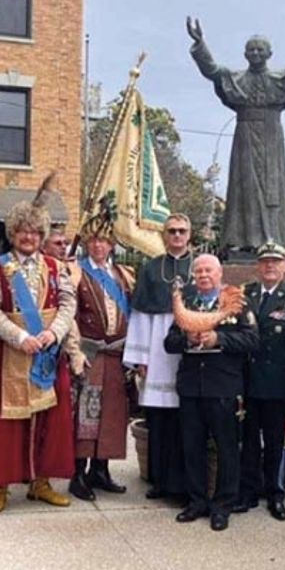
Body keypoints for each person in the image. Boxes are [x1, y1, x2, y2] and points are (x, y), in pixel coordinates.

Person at [0, 178, 77, 512]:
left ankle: (41, 482)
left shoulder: (55, 267)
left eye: (35, 232)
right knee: (6, 422)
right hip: (10, 353)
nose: (29, 237)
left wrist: (53, 334)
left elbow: (68, 304)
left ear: (42, 235)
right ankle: (1, 485)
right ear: (13, 233)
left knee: (49, 421)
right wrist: (20, 337)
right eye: (23, 231)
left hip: (47, 351)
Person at [185, 17, 285, 251]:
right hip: (245, 136)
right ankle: (241, 241)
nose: (256, 53)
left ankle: (273, 241)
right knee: (243, 187)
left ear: (269, 53)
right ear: (245, 54)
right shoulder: (236, 78)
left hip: (271, 136)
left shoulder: (279, 79)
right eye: (251, 49)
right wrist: (200, 43)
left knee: (273, 189)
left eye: (260, 49)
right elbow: (212, 71)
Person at [164, 254, 259, 531]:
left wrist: (220, 338)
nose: (204, 275)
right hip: (192, 386)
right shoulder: (188, 303)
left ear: (219, 274)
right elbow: (169, 342)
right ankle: (196, 501)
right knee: (192, 446)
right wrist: (187, 338)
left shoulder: (237, 301)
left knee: (227, 447)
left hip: (223, 386)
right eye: (199, 271)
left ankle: (222, 505)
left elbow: (253, 339)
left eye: (209, 271)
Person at [122, 213, 193, 501]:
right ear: (164, 235)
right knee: (160, 421)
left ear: (190, 235)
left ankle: (184, 483)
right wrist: (141, 358)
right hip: (157, 348)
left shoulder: (199, 266)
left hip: (188, 350)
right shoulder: (152, 268)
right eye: (171, 231)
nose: (176, 236)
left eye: (181, 231)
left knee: (185, 420)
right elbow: (140, 316)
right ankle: (160, 481)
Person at [67, 205, 134, 502]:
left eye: (103, 241)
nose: (98, 245)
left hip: (116, 354)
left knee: (111, 413)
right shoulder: (76, 272)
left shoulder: (124, 274)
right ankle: (78, 473)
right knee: (86, 414)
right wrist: (75, 352)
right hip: (90, 351)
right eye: (93, 240)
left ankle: (101, 469)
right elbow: (69, 314)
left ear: (111, 245)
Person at [236, 241, 285, 520]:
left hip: (279, 382)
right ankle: (248, 492)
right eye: (265, 261)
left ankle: (275, 494)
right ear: (257, 266)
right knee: (249, 440)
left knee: (277, 441)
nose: (270, 266)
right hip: (249, 380)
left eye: (276, 262)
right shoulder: (246, 294)